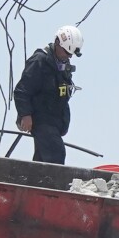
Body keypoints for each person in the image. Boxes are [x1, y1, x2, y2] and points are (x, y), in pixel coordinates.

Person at [13, 25, 82, 165]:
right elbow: (22, 90)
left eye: (71, 54)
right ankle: (53, 184)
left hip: (54, 122)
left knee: (42, 159)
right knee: (56, 153)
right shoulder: (39, 61)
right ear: (57, 42)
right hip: (40, 119)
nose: (68, 57)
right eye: (66, 52)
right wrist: (25, 115)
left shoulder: (62, 67)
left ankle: (34, 184)